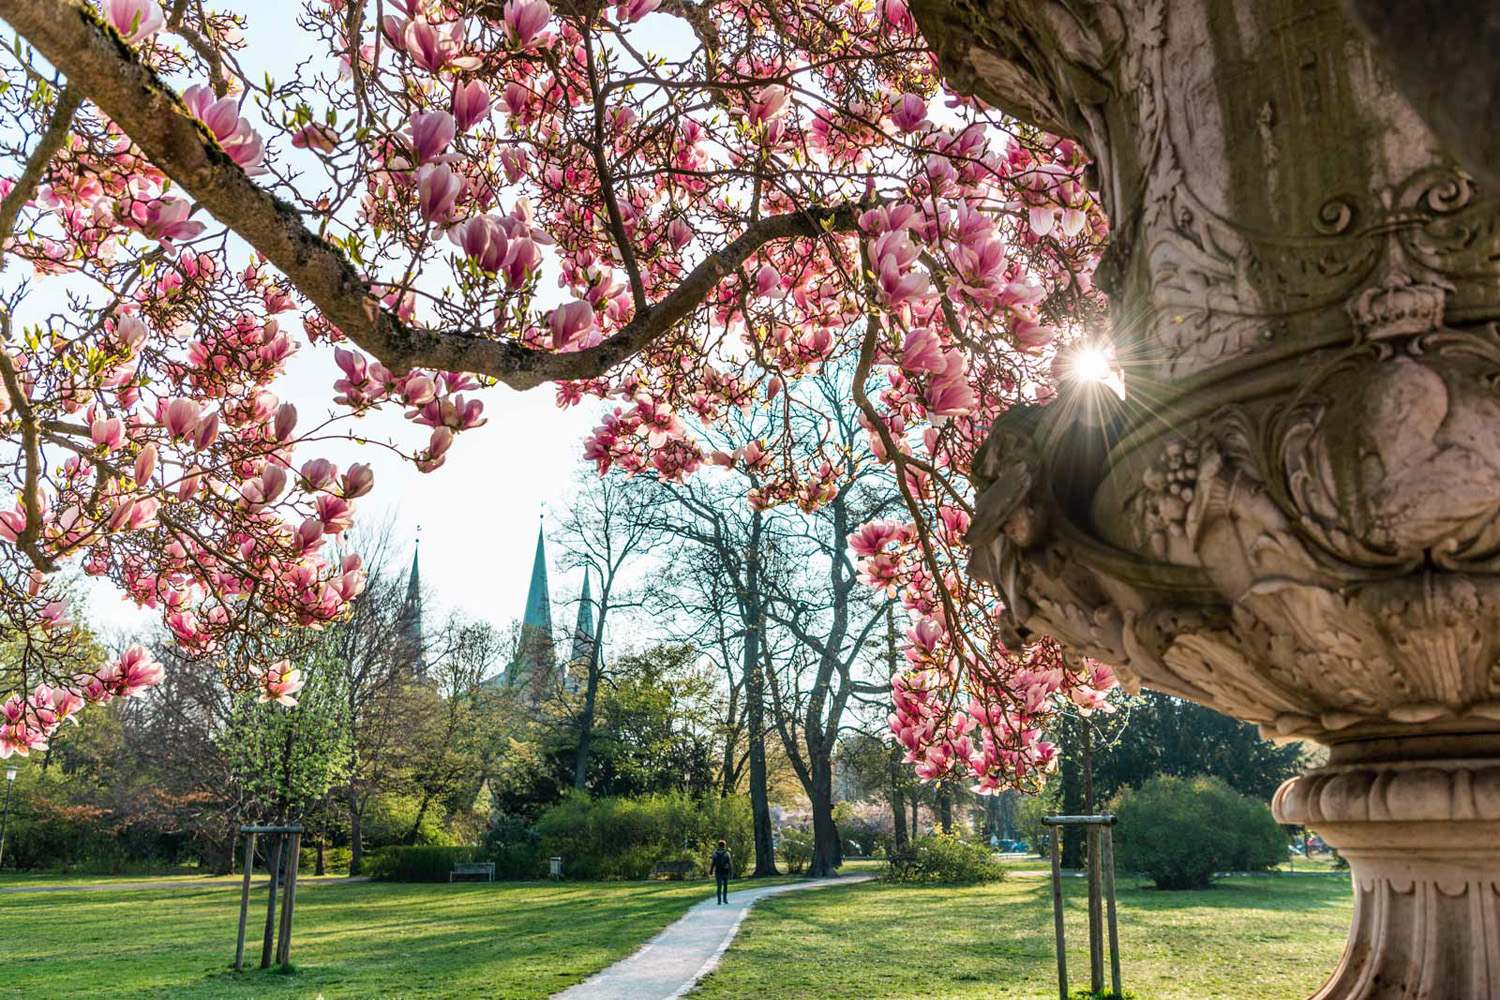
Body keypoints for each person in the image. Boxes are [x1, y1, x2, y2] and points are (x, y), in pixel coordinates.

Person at [711, 840, 733, 904]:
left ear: (718, 845)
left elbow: (713, 863)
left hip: (718, 871)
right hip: (725, 871)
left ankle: (719, 900)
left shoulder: (715, 853)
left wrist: (711, 871)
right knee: (725, 886)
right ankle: (725, 899)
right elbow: (729, 863)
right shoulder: (727, 853)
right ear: (724, 845)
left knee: (719, 886)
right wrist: (731, 871)